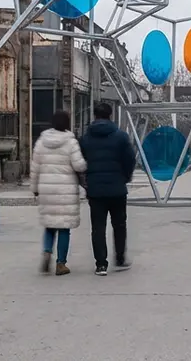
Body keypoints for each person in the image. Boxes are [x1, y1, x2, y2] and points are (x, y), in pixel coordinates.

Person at [78, 101, 136, 276]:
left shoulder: (85, 139)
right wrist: (125, 177)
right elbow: (130, 160)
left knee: (98, 227)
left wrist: (85, 181)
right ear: (110, 115)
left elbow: (80, 162)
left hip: (95, 189)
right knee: (119, 224)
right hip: (117, 188)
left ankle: (101, 264)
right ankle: (119, 258)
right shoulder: (121, 136)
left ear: (94, 116)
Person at [31, 110, 87, 276]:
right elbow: (79, 166)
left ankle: (47, 251)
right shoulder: (71, 142)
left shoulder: (41, 141)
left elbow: (35, 167)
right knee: (64, 228)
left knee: (49, 225)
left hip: (46, 189)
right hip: (65, 190)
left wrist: (34, 188)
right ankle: (61, 264)